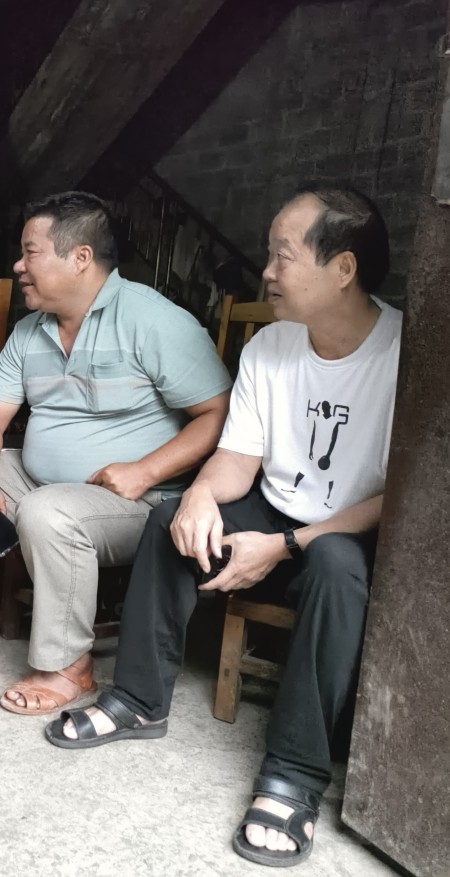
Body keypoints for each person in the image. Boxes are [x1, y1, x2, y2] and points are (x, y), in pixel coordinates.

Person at [49, 186, 399, 869]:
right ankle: (138, 699)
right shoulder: (271, 345)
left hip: (349, 530)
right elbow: (238, 457)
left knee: (334, 565)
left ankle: (294, 773)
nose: (266, 272)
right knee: (167, 519)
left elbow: (401, 496)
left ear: (343, 269)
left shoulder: (405, 354)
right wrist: (201, 495)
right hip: (274, 508)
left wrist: (288, 545)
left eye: (282, 256)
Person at [0, 192, 233, 717]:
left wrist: (146, 470)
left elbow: (219, 413)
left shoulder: (154, 321)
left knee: (47, 511)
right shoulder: (30, 331)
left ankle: (69, 665)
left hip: (136, 501)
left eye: (30, 252)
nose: (18, 265)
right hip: (41, 483)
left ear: (80, 258)